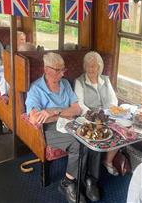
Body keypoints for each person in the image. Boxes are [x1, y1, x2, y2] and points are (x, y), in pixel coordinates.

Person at [26, 52, 101, 203]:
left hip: (70, 122)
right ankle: (67, 182)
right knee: (78, 144)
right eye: (58, 70)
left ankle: (89, 179)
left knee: (95, 137)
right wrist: (60, 114)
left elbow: (77, 109)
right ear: (46, 70)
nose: (62, 74)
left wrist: (54, 111)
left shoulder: (65, 84)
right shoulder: (36, 89)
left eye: (63, 70)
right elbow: (35, 118)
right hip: (50, 129)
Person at [74, 51, 119, 176]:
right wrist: (93, 116)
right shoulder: (79, 81)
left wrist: (109, 112)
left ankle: (108, 161)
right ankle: (90, 171)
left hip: (106, 114)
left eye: (93, 66)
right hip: (89, 117)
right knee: (97, 134)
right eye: (88, 65)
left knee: (120, 131)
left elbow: (113, 100)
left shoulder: (105, 80)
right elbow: (80, 104)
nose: (90, 68)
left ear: (99, 67)